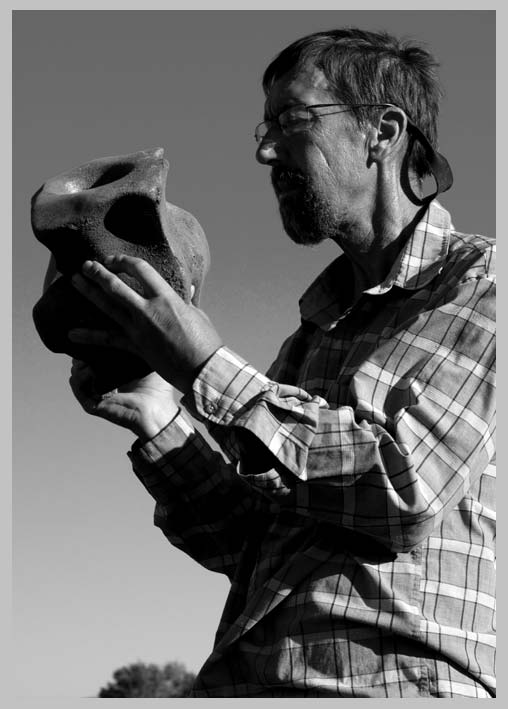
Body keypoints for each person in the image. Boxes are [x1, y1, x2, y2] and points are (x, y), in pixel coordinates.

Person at [67, 28, 495, 698]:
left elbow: (408, 488)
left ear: (382, 132)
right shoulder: (313, 329)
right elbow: (249, 538)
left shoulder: (481, 281)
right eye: (264, 127)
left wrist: (205, 364)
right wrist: (159, 416)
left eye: (291, 118)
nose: (266, 149)